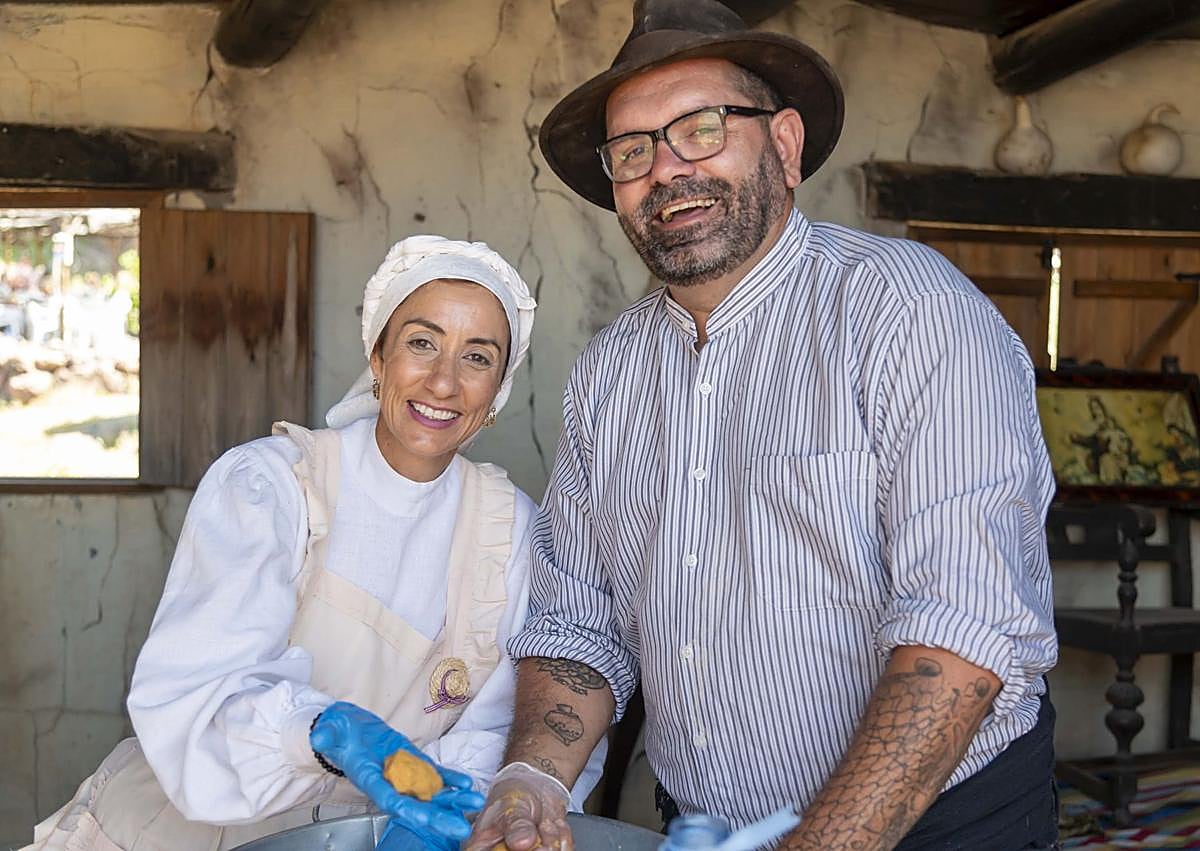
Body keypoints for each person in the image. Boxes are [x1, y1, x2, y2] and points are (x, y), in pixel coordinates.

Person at [465, 2, 1059, 850]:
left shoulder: (908, 313)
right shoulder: (610, 375)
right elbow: (578, 622)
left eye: (701, 129)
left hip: (934, 824)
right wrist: (530, 779)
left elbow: (959, 637)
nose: (667, 170)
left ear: (783, 145)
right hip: (704, 827)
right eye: (634, 150)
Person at [23, 236, 602, 851]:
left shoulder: (510, 530)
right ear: (377, 356)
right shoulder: (273, 484)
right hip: (172, 833)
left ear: (497, 394)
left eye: (477, 358)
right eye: (421, 343)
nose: (443, 382)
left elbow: (501, 726)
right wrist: (323, 731)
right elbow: (198, 699)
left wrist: (431, 812)